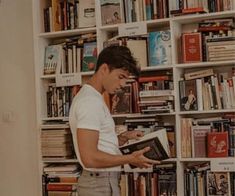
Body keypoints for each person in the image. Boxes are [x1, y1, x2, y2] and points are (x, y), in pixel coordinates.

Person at [69, 45, 160, 196]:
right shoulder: (89, 102)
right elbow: (89, 158)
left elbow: (98, 144)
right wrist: (130, 158)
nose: (123, 85)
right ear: (104, 69)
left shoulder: (94, 98)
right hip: (98, 184)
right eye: (121, 77)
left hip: (103, 182)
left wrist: (122, 138)